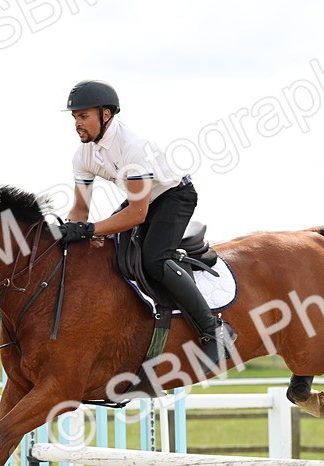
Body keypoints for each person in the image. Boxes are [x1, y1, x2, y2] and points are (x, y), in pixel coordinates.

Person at [58, 79, 237, 365]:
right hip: (141, 200)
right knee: (114, 254)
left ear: (106, 115)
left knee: (154, 259)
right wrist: (66, 234)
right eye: (74, 118)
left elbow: (136, 215)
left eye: (83, 116)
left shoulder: (132, 147)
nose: (77, 124)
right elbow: (80, 209)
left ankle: (214, 330)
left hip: (173, 196)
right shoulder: (83, 155)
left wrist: (90, 229)